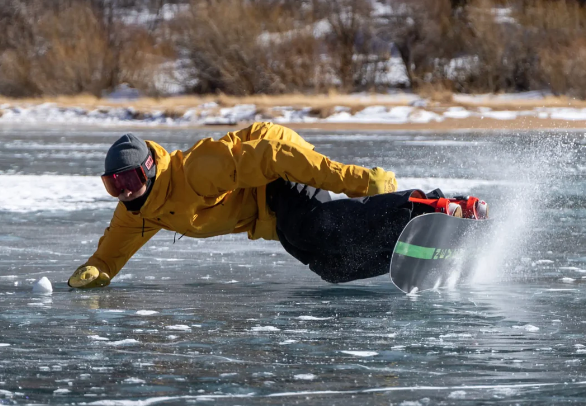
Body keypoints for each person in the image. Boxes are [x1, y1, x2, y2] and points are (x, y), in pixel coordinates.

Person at [67, 122, 474, 289]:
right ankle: (414, 244)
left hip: (275, 168)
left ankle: (430, 205)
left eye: (130, 178)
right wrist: (95, 271)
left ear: (150, 168)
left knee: (313, 229)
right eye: (113, 184)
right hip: (269, 212)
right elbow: (111, 251)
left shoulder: (196, 171)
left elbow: (273, 156)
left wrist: (359, 181)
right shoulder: (139, 211)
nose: (124, 190)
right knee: (331, 266)